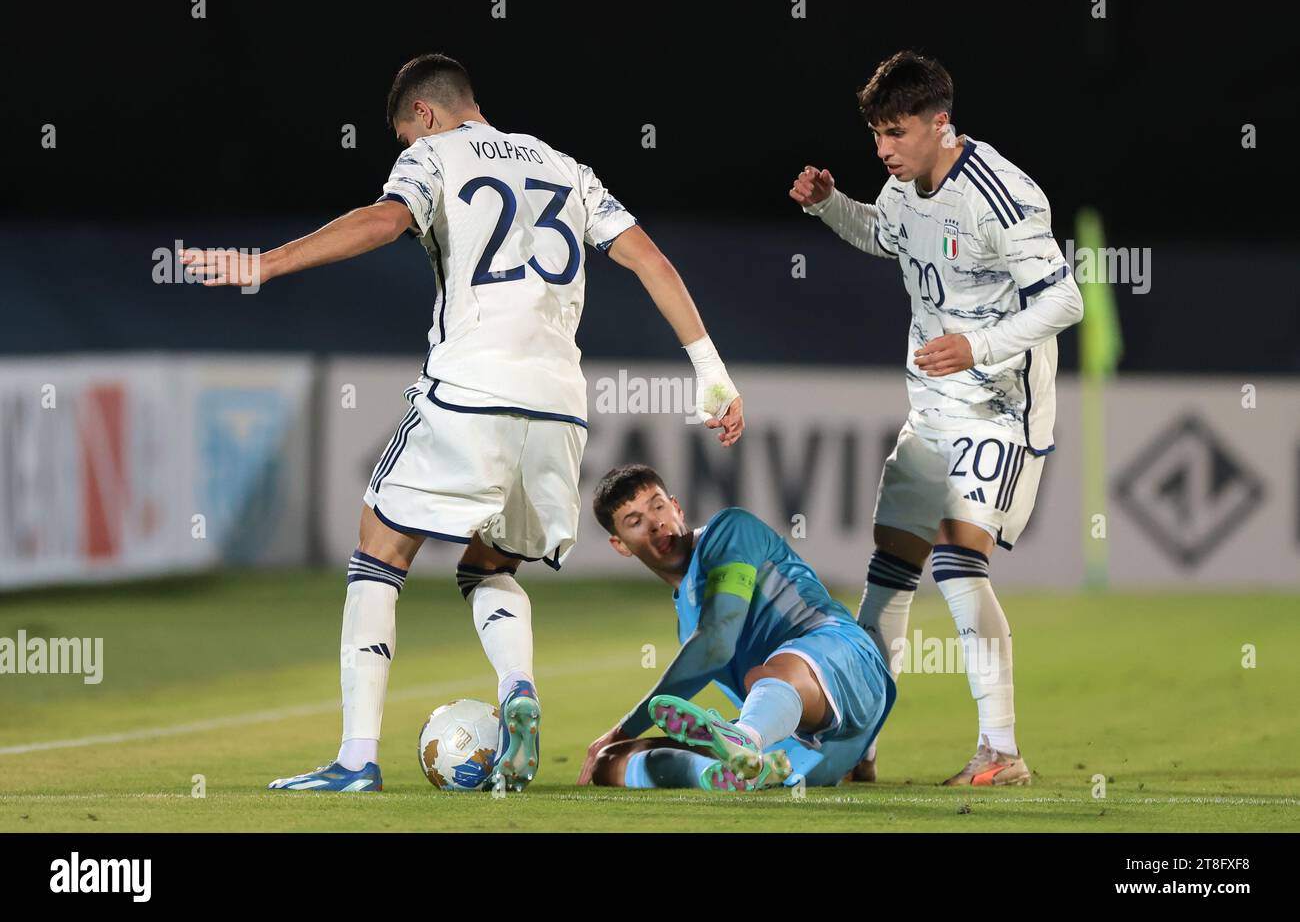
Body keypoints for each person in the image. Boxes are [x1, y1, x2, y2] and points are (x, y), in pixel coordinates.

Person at [182, 53, 744, 792]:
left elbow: (385, 220)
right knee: (489, 563)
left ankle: (356, 759)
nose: (405, 155)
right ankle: (517, 688)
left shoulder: (435, 156)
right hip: (559, 404)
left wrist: (269, 264)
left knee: (378, 549)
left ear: (424, 115)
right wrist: (712, 373)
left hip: (472, 387)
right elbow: (651, 261)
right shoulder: (566, 167)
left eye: (403, 142)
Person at [790, 50, 1084, 785]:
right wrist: (831, 205)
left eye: (895, 133)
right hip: (932, 403)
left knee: (957, 563)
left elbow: (1064, 301)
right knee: (890, 570)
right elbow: (883, 238)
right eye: (875, 136)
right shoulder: (901, 187)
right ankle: (857, 743)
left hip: (998, 403)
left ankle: (1002, 751)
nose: (883, 150)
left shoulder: (1002, 195)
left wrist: (978, 344)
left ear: (939, 122)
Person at [578, 464, 893, 791]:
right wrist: (618, 741)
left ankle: (743, 741)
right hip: (813, 750)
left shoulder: (730, 531)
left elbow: (716, 643)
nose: (656, 523)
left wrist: (626, 727)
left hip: (850, 665)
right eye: (635, 521)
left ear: (677, 507)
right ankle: (728, 772)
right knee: (611, 762)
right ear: (621, 546)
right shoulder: (687, 625)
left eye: (658, 506)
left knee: (769, 673)